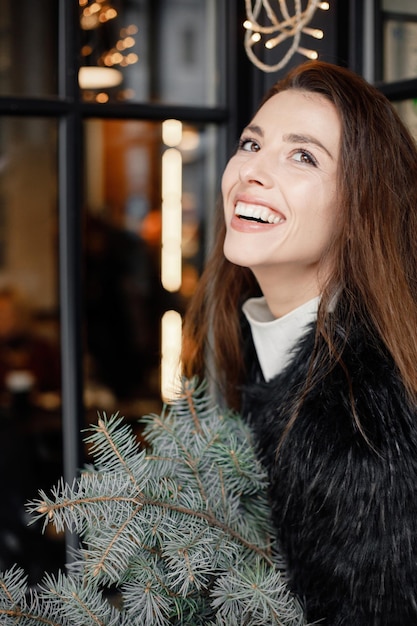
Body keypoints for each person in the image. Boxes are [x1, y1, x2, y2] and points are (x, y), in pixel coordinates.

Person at [181, 60, 417, 625]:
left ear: (361, 204)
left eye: (302, 156)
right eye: (250, 144)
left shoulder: (360, 417)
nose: (252, 173)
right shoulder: (246, 338)